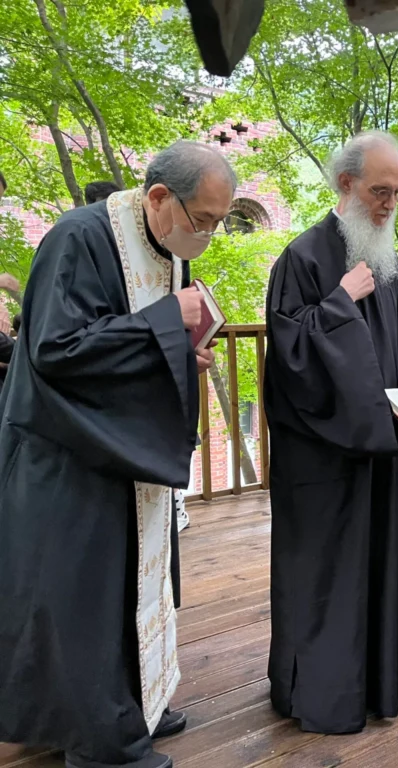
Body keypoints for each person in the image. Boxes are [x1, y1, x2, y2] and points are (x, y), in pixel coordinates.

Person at [0, 140, 234, 768]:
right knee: (83, 599)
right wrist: (165, 323)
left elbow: (135, 343)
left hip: (120, 451)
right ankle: (103, 740)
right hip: (67, 455)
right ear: (159, 197)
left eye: (219, 221)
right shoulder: (77, 239)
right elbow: (56, 349)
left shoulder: (164, 245)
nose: (208, 233)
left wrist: (185, 351)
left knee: (133, 587)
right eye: (202, 219)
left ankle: (132, 703)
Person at [264, 130, 398, 735]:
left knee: (381, 563)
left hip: (380, 446)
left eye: (397, 193)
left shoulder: (385, 256)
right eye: (379, 191)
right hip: (324, 460)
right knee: (328, 575)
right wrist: (339, 300)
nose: (389, 204)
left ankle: (384, 678)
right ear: (345, 184)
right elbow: (289, 359)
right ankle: (324, 692)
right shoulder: (302, 258)